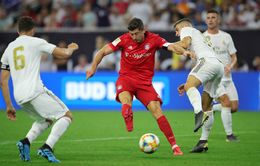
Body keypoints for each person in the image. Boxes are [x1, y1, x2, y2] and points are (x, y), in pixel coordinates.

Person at [86, 17, 183, 156]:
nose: (134, 37)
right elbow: (102, 51)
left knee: (157, 111)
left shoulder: (154, 39)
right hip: (126, 79)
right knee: (126, 101)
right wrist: (93, 68)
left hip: (144, 83)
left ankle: (175, 146)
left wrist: (183, 52)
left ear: (143, 30)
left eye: (136, 33)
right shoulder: (123, 39)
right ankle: (127, 115)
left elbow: (170, 46)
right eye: (131, 34)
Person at [0, 16, 78, 163]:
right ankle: (47, 147)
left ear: (18, 31)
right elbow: (65, 54)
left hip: (19, 97)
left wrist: (9, 106)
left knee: (46, 119)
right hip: (34, 91)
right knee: (66, 116)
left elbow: (3, 80)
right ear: (33, 30)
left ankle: (26, 142)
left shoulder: (9, 49)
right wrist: (71, 48)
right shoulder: (36, 42)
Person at [185, 9, 239, 153]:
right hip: (215, 75)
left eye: (213, 17)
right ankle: (229, 135)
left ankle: (208, 112)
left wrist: (230, 66)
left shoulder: (226, 37)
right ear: (205, 20)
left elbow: (234, 57)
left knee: (233, 107)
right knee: (225, 103)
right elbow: (199, 58)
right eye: (208, 17)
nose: (210, 20)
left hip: (227, 77)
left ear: (218, 20)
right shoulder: (202, 37)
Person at [168, 18, 224, 134]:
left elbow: (184, 44)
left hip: (207, 62)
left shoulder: (187, 29)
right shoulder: (200, 35)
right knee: (207, 107)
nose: (176, 33)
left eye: (177, 30)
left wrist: (167, 45)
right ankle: (203, 141)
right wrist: (189, 84)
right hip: (218, 67)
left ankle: (198, 112)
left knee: (192, 91)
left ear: (183, 26)